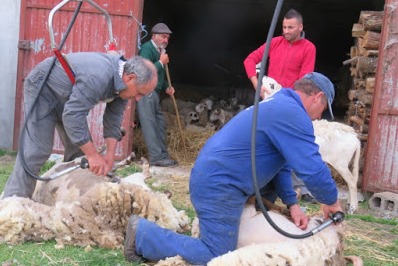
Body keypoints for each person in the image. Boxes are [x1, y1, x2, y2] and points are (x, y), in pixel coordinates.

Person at [124, 72, 343, 265]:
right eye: (324, 109)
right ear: (319, 97)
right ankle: (143, 235)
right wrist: (331, 202)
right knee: (216, 254)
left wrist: (292, 204)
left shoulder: (281, 103)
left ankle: (249, 228)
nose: (319, 116)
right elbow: (313, 169)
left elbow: (282, 166)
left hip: (219, 176)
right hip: (220, 184)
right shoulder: (293, 113)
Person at [2, 53, 158, 199]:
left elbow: (113, 118)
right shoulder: (98, 76)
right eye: (140, 93)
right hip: (44, 87)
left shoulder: (124, 86)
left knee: (78, 154)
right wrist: (93, 155)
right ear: (130, 78)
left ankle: (68, 198)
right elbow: (73, 116)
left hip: (67, 96)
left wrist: (110, 155)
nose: (138, 99)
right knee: (37, 150)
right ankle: (13, 203)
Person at [244, 8, 317, 203]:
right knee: (265, 140)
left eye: (290, 27)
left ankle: (299, 186)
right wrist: (256, 83)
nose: (286, 31)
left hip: (291, 102)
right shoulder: (274, 42)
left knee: (292, 141)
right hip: (269, 100)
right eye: (284, 26)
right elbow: (250, 60)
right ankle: (262, 182)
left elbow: (305, 79)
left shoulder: (308, 48)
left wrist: (290, 98)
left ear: (300, 27)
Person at [137, 22, 177, 167]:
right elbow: (144, 73)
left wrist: (166, 86)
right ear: (154, 36)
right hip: (146, 92)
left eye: (167, 38)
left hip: (155, 93)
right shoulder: (147, 49)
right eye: (162, 37)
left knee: (160, 123)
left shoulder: (160, 51)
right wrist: (160, 62)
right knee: (150, 125)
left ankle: (163, 154)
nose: (165, 40)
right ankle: (156, 158)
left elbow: (158, 76)